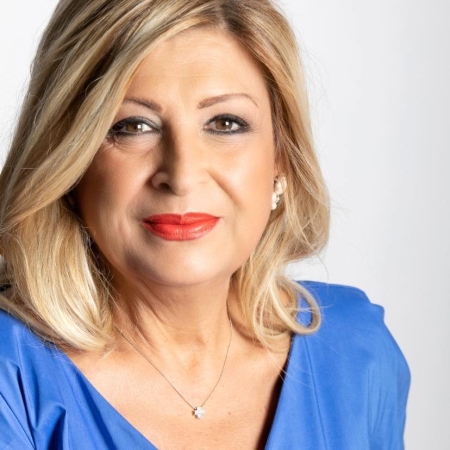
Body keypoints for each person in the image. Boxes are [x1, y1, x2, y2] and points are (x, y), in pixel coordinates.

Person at [0, 0, 410, 448]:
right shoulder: (13, 377)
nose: (182, 175)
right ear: (69, 160)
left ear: (281, 157)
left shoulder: (356, 353)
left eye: (225, 123)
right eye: (133, 126)